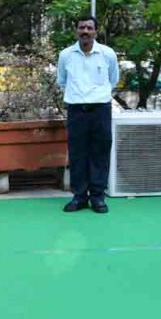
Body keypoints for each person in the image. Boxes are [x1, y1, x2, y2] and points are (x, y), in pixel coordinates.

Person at [57, 15, 119, 214]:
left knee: (100, 153)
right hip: (76, 110)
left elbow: (114, 79)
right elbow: (62, 81)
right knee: (77, 154)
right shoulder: (66, 55)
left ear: (96, 32)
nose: (85, 31)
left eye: (89, 28)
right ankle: (79, 197)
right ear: (76, 31)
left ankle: (98, 197)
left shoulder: (107, 54)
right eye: (81, 27)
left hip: (101, 109)